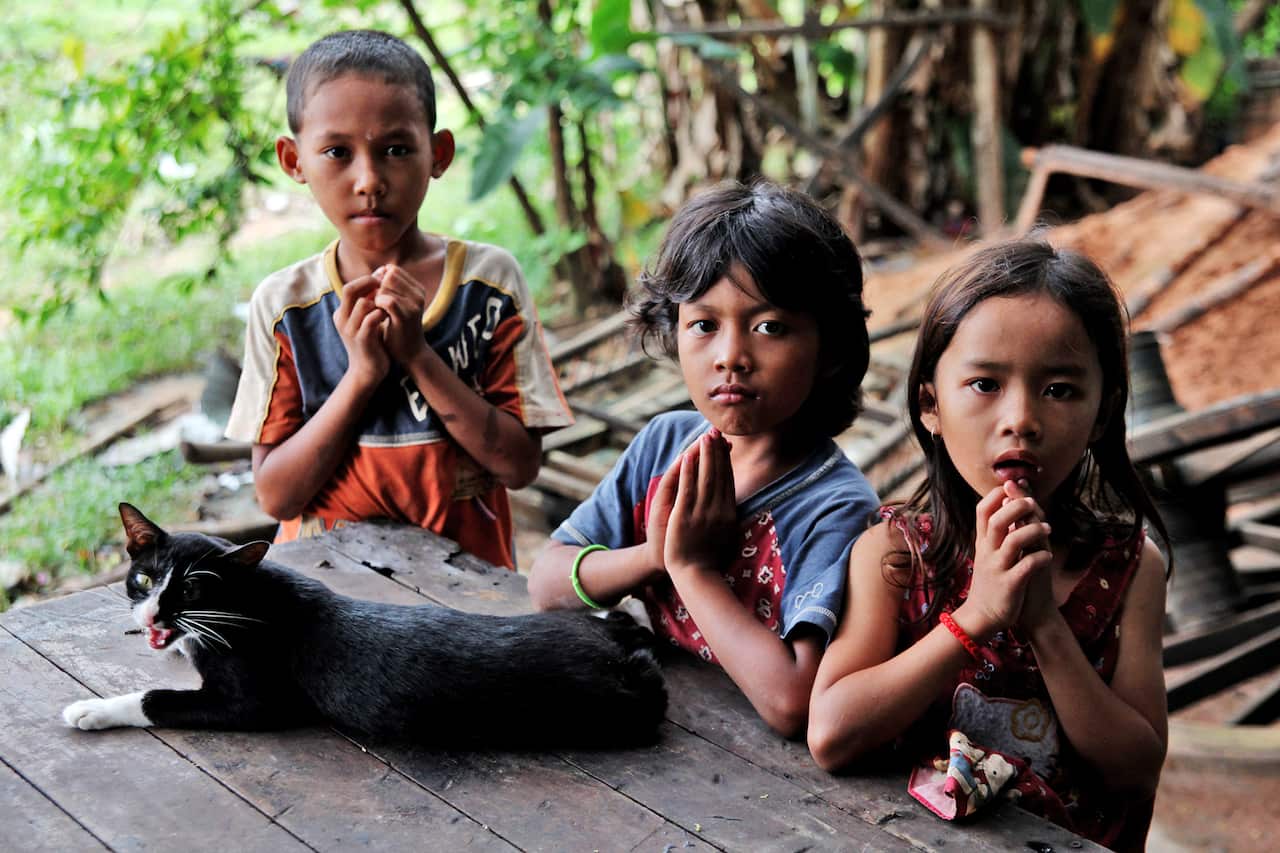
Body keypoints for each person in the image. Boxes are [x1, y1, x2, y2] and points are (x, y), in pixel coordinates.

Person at [807, 239, 1171, 851]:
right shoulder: (896, 556)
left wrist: (1044, 625)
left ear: (1102, 414)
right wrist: (975, 617)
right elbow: (832, 735)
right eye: (984, 384)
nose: (1021, 418)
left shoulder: (1130, 569)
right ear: (930, 404)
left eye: (1059, 390)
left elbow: (1135, 771)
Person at [527, 181, 880, 738]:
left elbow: (795, 702)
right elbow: (547, 583)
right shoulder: (665, 444)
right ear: (673, 333)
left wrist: (692, 570)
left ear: (831, 347)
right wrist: (654, 556)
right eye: (703, 325)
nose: (731, 357)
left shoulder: (836, 507)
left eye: (770, 327)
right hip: (666, 731)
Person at [225, 30, 572, 570]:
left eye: (395, 149)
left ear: (438, 153)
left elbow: (519, 466)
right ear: (294, 160)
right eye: (337, 152)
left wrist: (418, 356)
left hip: (466, 591)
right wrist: (361, 376)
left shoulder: (488, 286)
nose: (369, 180)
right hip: (326, 599)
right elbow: (277, 496)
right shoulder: (286, 307)